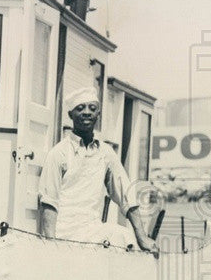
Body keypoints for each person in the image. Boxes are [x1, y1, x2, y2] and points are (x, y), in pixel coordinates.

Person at [38, 86, 158, 253]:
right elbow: (49, 202)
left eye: (92, 108)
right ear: (70, 115)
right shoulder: (58, 154)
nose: (87, 112)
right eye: (80, 108)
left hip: (93, 230)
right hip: (65, 233)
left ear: (98, 115)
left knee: (124, 237)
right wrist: (51, 245)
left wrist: (141, 236)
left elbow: (126, 195)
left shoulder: (105, 153)